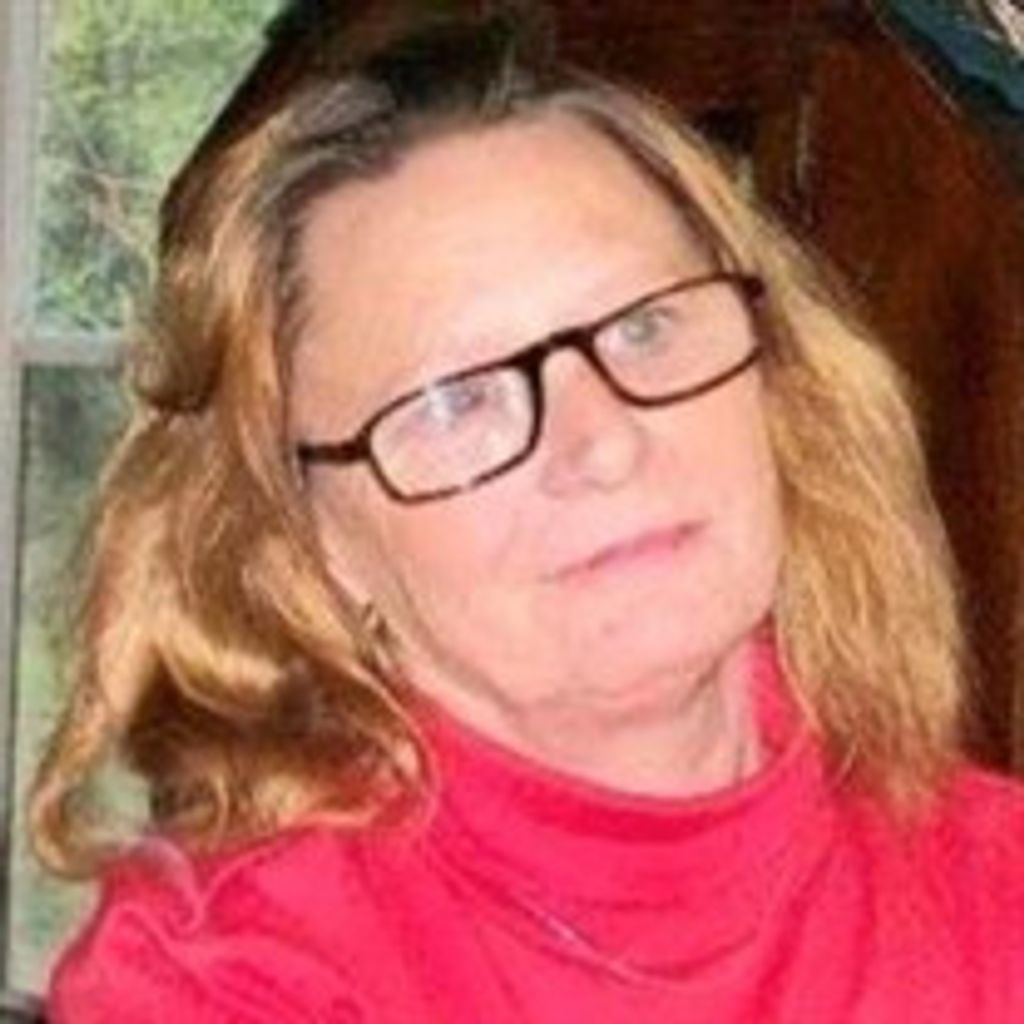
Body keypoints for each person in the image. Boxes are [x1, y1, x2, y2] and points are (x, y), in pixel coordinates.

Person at [32, 1, 1024, 1020]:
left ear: (779, 382)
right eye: (457, 400)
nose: (604, 441)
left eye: (644, 328)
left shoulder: (995, 887)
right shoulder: (223, 979)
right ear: (309, 541)